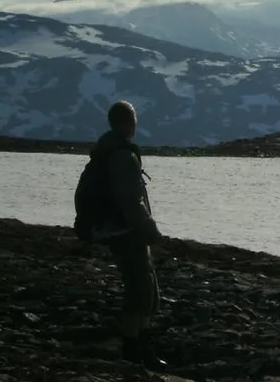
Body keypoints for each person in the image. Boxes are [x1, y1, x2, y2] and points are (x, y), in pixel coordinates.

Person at [88, 100, 168, 372]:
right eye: (133, 119)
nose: (135, 124)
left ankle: (141, 347)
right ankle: (134, 349)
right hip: (127, 232)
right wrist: (151, 232)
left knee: (144, 286)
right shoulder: (123, 156)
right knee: (140, 289)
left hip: (116, 229)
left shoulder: (107, 150)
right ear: (126, 123)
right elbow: (131, 202)